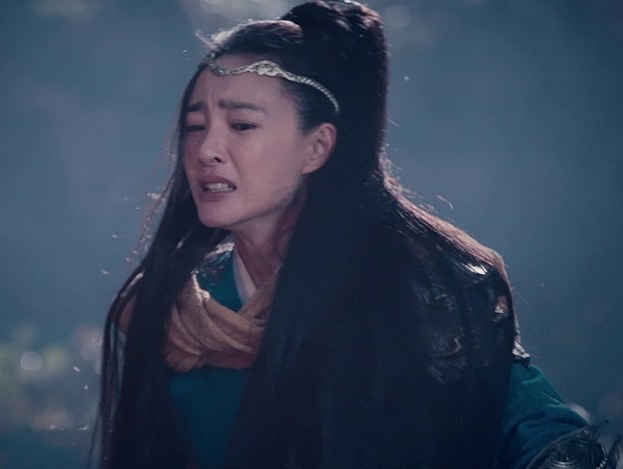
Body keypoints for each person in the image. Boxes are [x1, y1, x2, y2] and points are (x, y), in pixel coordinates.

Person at [95, 1, 620, 468]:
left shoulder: (415, 289)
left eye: (242, 125)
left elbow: (535, 429)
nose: (207, 149)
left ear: (316, 147)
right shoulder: (177, 310)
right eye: (195, 126)